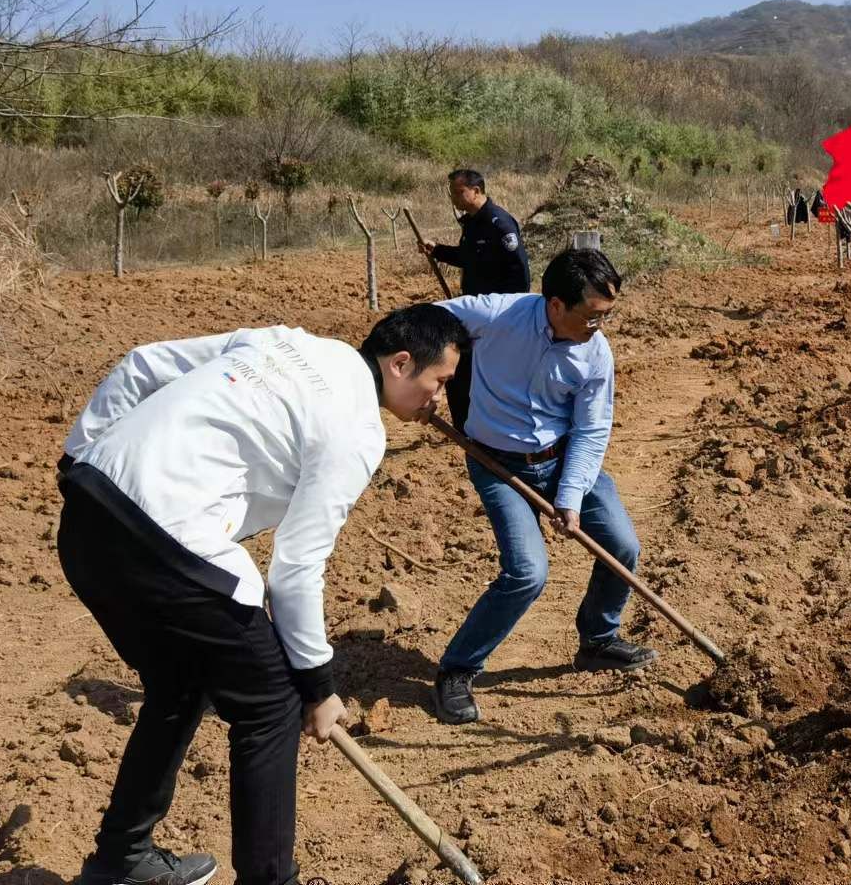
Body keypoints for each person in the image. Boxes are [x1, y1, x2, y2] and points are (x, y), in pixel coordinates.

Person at [57, 306, 468, 885]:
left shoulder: (282, 341)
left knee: (180, 684)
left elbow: (142, 364)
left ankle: (120, 859)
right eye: (440, 381)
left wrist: (78, 456)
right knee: (272, 701)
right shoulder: (356, 430)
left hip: (87, 513)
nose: (438, 399)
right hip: (166, 542)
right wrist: (318, 686)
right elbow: (295, 567)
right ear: (401, 364)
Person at [432, 249, 650, 728]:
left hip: (560, 458)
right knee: (527, 572)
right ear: (555, 305)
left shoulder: (596, 352)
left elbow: (591, 430)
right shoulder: (499, 314)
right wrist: (424, 377)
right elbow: (425, 322)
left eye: (606, 316)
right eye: (591, 316)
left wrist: (569, 497)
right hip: (495, 464)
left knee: (622, 545)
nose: (599, 327)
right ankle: (457, 668)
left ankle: (597, 639)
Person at [417, 168, 532, 430]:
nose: (453, 198)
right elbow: (468, 258)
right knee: (461, 367)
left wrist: (510, 313)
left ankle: (489, 422)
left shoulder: (499, 224)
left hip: (497, 315)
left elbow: (520, 274)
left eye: (459, 192)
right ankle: (466, 425)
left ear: (476, 191)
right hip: (473, 311)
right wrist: (438, 251)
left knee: (486, 369)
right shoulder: (472, 223)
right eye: (452, 193)